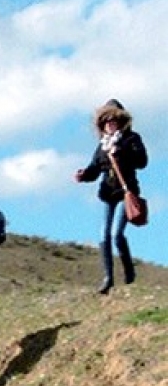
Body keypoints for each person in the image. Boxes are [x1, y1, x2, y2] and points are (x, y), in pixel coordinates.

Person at [74, 99, 148, 294]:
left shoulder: (131, 139)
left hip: (126, 192)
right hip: (108, 194)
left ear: (121, 121)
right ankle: (108, 278)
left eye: (113, 120)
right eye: (106, 121)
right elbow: (94, 169)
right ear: (102, 125)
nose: (110, 124)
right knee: (103, 236)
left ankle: (129, 273)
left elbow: (142, 161)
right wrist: (83, 176)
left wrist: (122, 151)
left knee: (117, 234)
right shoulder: (102, 146)